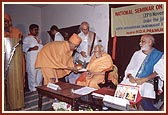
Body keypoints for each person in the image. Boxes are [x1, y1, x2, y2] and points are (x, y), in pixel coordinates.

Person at [121, 34, 164, 111]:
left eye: (142, 41)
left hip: (148, 81)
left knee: (144, 91)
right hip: (133, 79)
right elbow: (129, 67)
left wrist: (144, 79)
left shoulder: (159, 55)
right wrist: (130, 76)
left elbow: (158, 72)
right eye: (140, 41)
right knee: (124, 88)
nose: (140, 43)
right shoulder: (137, 54)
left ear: (150, 42)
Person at [4, 13, 25, 110]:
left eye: (6, 22)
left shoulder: (17, 32)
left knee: (17, 81)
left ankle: (17, 103)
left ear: (10, 22)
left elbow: (19, 43)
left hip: (16, 60)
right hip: (4, 60)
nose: (4, 24)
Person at [22, 24, 43, 92]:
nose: (37, 31)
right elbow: (23, 48)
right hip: (32, 61)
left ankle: (39, 88)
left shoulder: (39, 39)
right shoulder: (27, 39)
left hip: (39, 60)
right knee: (32, 75)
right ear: (30, 30)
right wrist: (32, 48)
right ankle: (33, 90)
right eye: (35, 30)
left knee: (40, 75)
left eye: (37, 30)